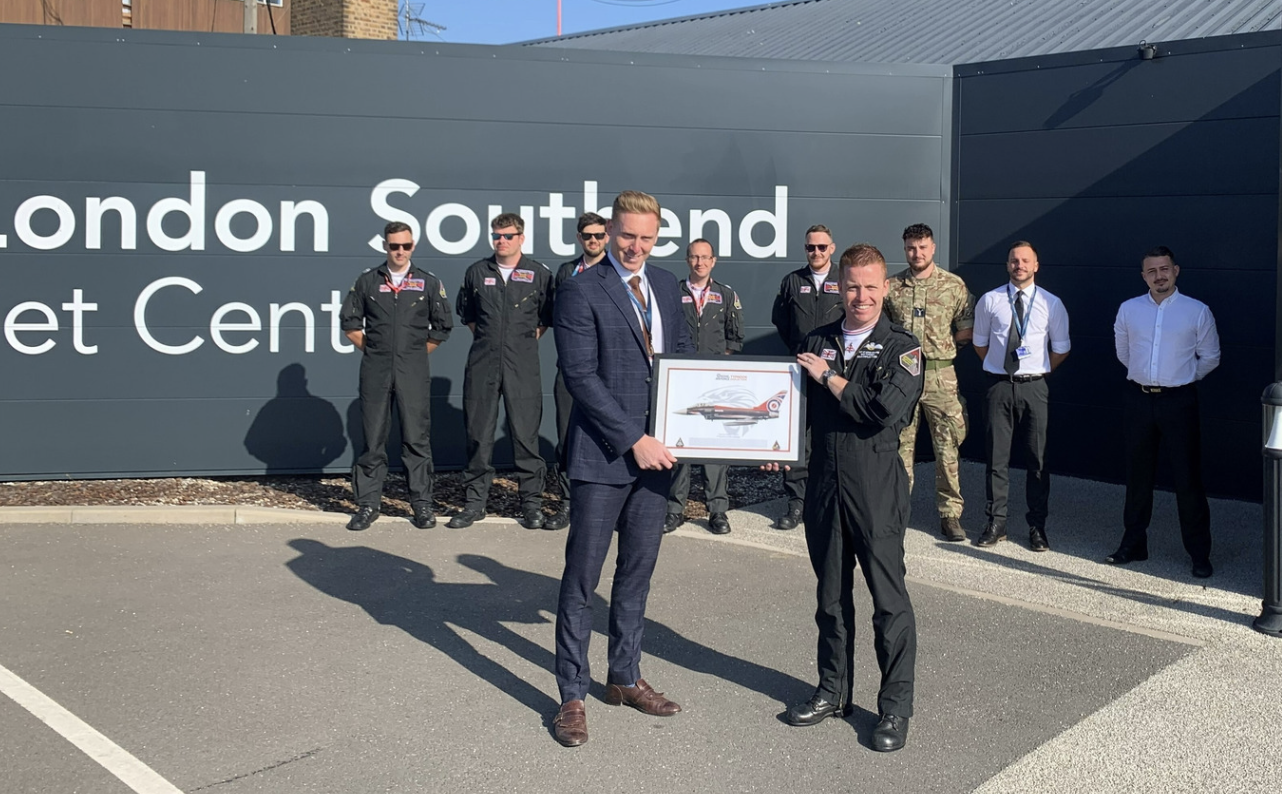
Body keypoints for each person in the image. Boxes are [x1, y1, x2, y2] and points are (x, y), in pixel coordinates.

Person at [550, 190, 695, 748]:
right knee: (582, 580)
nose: (636, 246)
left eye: (647, 237)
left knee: (636, 573)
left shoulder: (663, 284)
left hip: (658, 457)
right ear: (609, 230)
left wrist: (695, 426)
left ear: (657, 236)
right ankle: (571, 694)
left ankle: (625, 676)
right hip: (604, 456)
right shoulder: (580, 289)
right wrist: (633, 438)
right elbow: (580, 376)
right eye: (627, 235)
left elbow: (680, 358)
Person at [769, 243, 922, 753]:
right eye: (852, 285)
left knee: (888, 603)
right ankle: (833, 691)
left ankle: (895, 708)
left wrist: (831, 378)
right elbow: (794, 410)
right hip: (825, 489)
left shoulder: (903, 348)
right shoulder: (818, 340)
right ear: (839, 285)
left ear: (884, 288)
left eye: (870, 286)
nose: (861, 296)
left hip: (877, 489)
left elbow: (882, 412)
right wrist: (778, 447)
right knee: (830, 601)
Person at [1109, 246, 1220, 578]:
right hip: (1138, 400)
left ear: (1176, 271)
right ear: (1144, 276)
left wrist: (1181, 378)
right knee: (1137, 476)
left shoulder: (1196, 311)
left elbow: (1210, 357)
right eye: (1152, 271)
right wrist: (1150, 379)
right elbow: (1124, 352)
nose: (1159, 275)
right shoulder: (1129, 310)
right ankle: (1134, 544)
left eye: (1165, 269)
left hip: (1179, 402)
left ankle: (1199, 553)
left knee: (1187, 479)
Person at [340, 221, 453, 531]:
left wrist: (414, 354)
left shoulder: (428, 283)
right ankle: (367, 505)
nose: (400, 251)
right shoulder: (367, 281)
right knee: (373, 440)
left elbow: (443, 326)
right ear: (385, 246)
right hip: (375, 370)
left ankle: (422, 505)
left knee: (416, 439)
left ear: (413, 246)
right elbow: (349, 324)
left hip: (412, 370)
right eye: (394, 246)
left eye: (405, 246)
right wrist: (376, 350)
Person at [448, 213, 555, 530]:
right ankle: (474, 503)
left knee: (525, 435)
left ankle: (532, 505)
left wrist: (517, 343)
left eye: (508, 235)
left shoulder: (538, 274)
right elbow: (468, 316)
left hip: (522, 362)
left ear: (522, 237)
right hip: (483, 360)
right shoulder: (477, 272)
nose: (501, 241)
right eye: (496, 235)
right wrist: (492, 340)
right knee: (478, 434)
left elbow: (545, 319)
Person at [972, 241, 1071, 552]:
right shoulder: (990, 301)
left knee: (1037, 460)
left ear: (1036, 266)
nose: (1020, 265)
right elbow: (980, 344)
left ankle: (1037, 526)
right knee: (996, 459)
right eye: (1014, 260)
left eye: (1026, 261)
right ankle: (996, 521)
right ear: (1007, 265)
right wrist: (1003, 371)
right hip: (998, 386)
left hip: (1034, 388)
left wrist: (1034, 370)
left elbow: (1061, 349)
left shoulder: (1052, 304)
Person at [885, 223, 975, 541]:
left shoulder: (953, 285)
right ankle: (895, 513)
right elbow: (881, 331)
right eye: (911, 247)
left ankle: (950, 515)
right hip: (903, 377)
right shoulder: (891, 287)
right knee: (899, 448)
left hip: (940, 377)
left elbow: (966, 327)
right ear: (905, 248)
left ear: (933, 248)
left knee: (947, 447)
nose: (917, 253)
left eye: (922, 247)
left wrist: (943, 351)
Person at [663, 238, 744, 535]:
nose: (700, 262)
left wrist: (717, 368)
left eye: (705, 257)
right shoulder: (673, 293)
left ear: (714, 261)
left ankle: (718, 511)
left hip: (714, 382)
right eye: (694, 257)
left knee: (714, 447)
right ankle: (674, 509)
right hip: (681, 381)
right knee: (678, 446)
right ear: (688, 260)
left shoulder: (726, 294)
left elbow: (735, 336)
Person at [769, 224, 844, 530]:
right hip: (799, 371)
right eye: (811, 247)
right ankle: (797, 502)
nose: (816, 252)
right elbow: (782, 321)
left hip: (834, 373)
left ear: (832, 248)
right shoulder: (792, 282)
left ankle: (828, 501)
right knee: (798, 439)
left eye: (822, 247)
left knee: (832, 439)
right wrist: (802, 350)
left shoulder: (845, 279)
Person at [546, 212, 610, 531]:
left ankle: (606, 506)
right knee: (567, 438)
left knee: (609, 435)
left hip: (608, 372)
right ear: (579, 238)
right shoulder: (566, 272)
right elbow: (555, 318)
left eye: (599, 235)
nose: (594, 240)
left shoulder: (618, 272)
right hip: (571, 370)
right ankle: (569, 502)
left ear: (607, 236)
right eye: (588, 236)